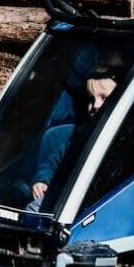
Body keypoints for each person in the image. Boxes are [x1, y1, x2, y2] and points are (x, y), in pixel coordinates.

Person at [25, 55, 118, 206]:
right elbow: (52, 163)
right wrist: (42, 180)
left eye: (104, 98)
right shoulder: (80, 135)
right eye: (91, 99)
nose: (94, 105)